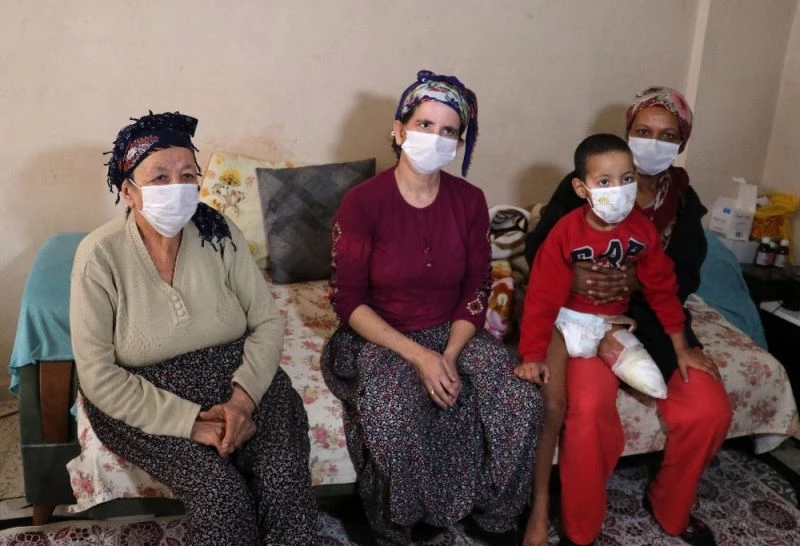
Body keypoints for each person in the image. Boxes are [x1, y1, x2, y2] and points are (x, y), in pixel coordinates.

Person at [70, 112, 317, 545]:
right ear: (128, 191)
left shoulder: (219, 234)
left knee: (283, 477)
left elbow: (265, 322)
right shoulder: (99, 256)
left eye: (187, 175)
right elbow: (97, 375)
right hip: (148, 393)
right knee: (220, 496)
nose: (177, 187)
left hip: (236, 377)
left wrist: (241, 404)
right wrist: (191, 424)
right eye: (159, 177)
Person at [321, 70, 543, 546]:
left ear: (459, 143)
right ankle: (400, 520)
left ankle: (496, 513)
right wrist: (421, 357)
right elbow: (348, 301)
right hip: (383, 334)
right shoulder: (362, 203)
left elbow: (477, 286)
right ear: (399, 130)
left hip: (453, 329)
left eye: (448, 131)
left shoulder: (470, 201)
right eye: (424, 125)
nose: (435, 138)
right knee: (391, 411)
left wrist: (450, 353)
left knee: (520, 401)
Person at [525, 87, 732, 546]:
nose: (653, 143)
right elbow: (540, 256)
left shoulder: (683, 201)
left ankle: (671, 507)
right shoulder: (584, 184)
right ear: (627, 132)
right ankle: (580, 527)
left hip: (656, 323)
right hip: (587, 321)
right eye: (643, 131)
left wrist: (635, 282)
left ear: (682, 142)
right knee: (587, 409)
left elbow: (683, 278)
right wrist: (578, 276)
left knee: (709, 408)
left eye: (668, 135)